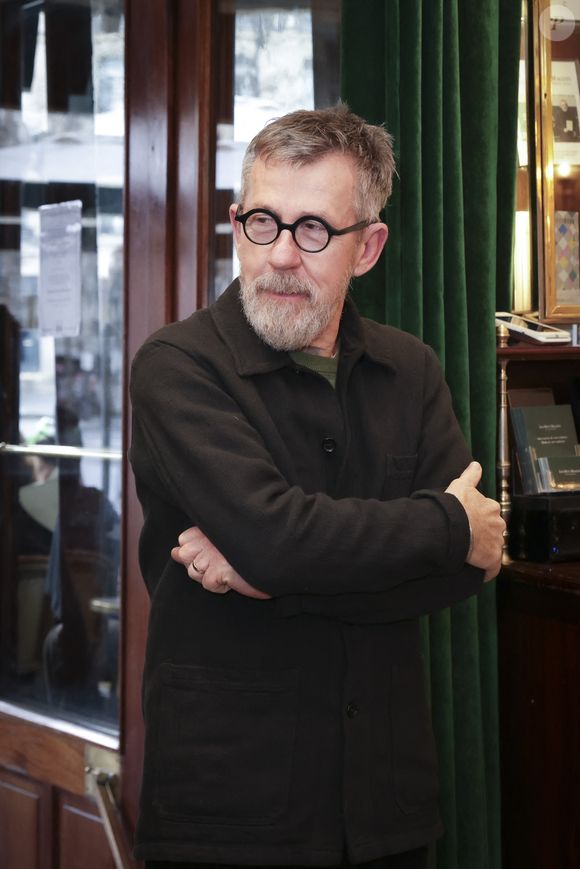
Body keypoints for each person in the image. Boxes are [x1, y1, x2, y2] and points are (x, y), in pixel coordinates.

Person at [130, 103, 505, 869]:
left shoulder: (413, 368)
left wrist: (270, 572)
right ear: (236, 223)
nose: (280, 255)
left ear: (368, 247)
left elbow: (460, 577)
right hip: (231, 809)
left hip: (385, 806)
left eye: (313, 231)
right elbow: (287, 537)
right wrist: (446, 524)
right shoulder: (176, 366)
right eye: (262, 223)